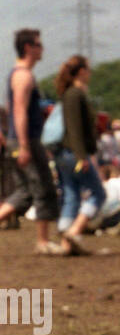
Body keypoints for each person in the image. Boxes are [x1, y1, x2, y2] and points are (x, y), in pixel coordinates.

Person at [0, 28, 67, 254]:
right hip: (25, 140)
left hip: (19, 140)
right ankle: (43, 241)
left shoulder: (17, 74)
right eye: (39, 44)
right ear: (28, 47)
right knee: (42, 188)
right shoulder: (23, 76)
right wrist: (25, 146)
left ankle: (44, 240)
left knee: (24, 193)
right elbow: (18, 111)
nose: (42, 49)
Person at [55, 55, 108, 253]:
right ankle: (75, 231)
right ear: (82, 71)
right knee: (99, 193)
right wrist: (81, 156)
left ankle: (66, 243)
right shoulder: (75, 94)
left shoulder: (69, 93)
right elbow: (75, 128)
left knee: (71, 196)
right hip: (74, 153)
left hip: (65, 154)